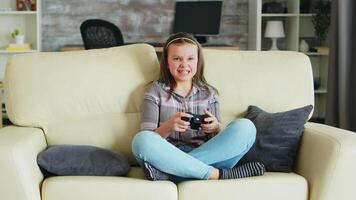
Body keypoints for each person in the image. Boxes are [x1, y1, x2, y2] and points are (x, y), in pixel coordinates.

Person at [132, 32, 265, 181]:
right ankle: (217, 174)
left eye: (190, 58)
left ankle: (170, 174)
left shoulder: (210, 93)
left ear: (197, 62)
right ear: (167, 63)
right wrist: (168, 126)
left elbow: (219, 140)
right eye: (176, 59)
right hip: (167, 155)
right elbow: (149, 136)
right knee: (141, 140)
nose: (184, 64)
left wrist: (215, 129)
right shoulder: (154, 92)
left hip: (203, 154)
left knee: (246, 127)